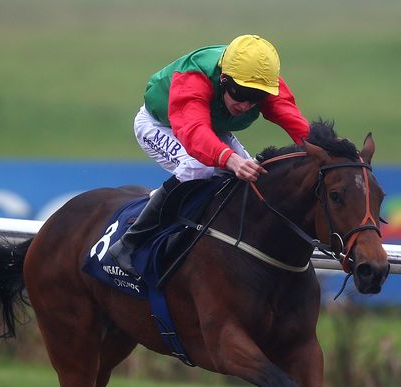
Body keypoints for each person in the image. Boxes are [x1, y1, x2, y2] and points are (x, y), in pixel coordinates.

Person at [108, 34, 310, 279]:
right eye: (240, 92)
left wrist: (328, 149)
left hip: (210, 127)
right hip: (161, 125)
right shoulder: (195, 76)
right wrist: (230, 159)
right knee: (198, 167)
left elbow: (294, 121)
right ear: (224, 79)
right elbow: (193, 133)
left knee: (252, 178)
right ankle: (130, 242)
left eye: (255, 97)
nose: (246, 105)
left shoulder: (260, 80)